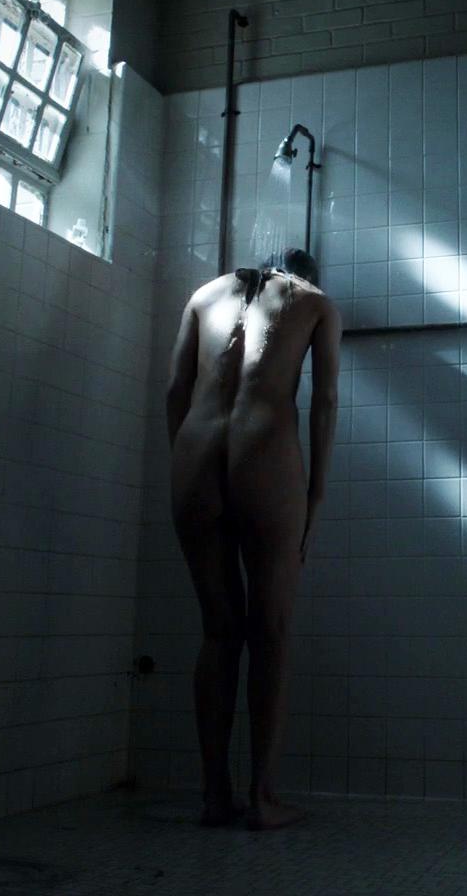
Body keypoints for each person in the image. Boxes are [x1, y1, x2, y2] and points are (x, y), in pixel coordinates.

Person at [164, 247, 341, 830]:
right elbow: (325, 402)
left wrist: (183, 466)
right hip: (266, 459)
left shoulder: (203, 295)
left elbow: (175, 391)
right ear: (306, 275)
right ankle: (262, 798)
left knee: (219, 632)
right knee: (270, 633)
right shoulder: (316, 303)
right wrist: (315, 495)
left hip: (194, 460)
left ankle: (215, 796)